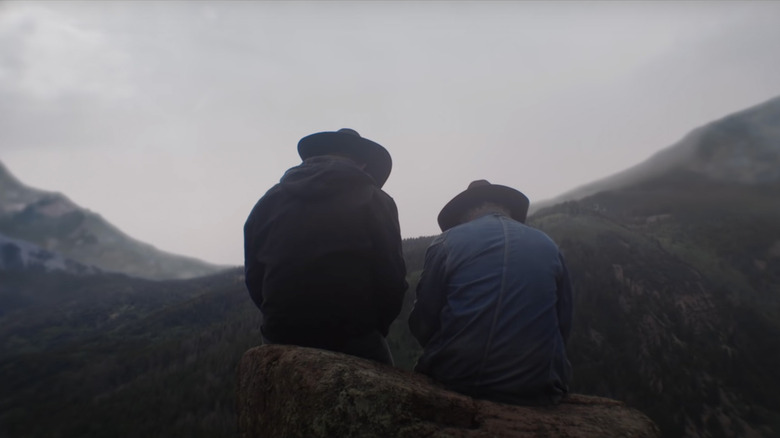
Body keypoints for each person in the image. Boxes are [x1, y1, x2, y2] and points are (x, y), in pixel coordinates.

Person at [244, 128, 408, 365]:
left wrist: (281, 316)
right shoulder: (376, 199)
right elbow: (392, 276)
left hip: (281, 331)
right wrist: (375, 325)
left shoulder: (269, 200)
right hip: (353, 332)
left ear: (311, 158)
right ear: (362, 164)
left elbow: (253, 275)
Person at [409, 180, 573, 405]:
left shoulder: (447, 242)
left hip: (456, 377)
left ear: (465, 213)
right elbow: (563, 323)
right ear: (508, 209)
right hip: (539, 385)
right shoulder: (548, 245)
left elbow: (423, 322)